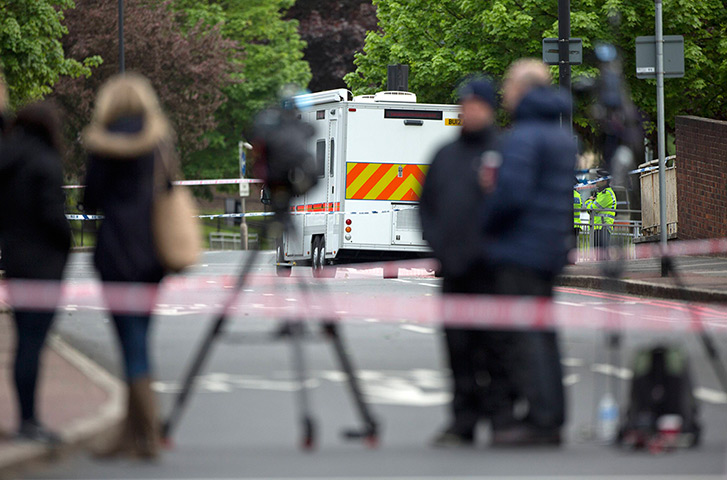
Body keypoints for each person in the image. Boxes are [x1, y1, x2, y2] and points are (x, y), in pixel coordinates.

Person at [480, 59, 577, 446]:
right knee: (544, 334)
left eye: (508, 83)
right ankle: (550, 414)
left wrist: (485, 224)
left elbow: (510, 195)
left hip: (521, 250)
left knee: (525, 339)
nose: (504, 91)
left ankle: (540, 420)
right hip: (548, 248)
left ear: (525, 89)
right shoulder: (561, 137)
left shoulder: (522, 137)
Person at [82, 73, 172, 459]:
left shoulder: (103, 146)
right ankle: (131, 434)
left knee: (130, 341)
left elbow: (90, 200)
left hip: (116, 252)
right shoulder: (158, 142)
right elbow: (168, 190)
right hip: (153, 252)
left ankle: (148, 434)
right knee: (141, 337)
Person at [420, 78, 506, 447]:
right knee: (459, 350)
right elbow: (426, 207)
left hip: (493, 272)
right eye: (463, 105)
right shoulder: (445, 155)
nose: (467, 111)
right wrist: (438, 246)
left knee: (496, 349)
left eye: (475, 105)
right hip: (453, 271)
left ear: (489, 109)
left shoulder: (504, 153)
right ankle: (463, 420)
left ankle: (502, 417)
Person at [0, 102, 71, 444]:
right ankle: (30, 421)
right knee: (34, 343)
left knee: (23, 341)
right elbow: (53, 217)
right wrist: (66, 244)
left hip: (15, 260)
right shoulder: (45, 162)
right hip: (44, 264)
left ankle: (25, 418)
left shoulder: (8, 162)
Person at [584, 170, 616, 255]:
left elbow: (592, 209)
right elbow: (591, 212)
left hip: (603, 227)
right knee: (598, 254)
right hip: (598, 227)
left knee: (602, 255)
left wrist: (588, 201)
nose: (596, 181)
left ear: (605, 181)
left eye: (598, 179)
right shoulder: (601, 194)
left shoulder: (607, 194)